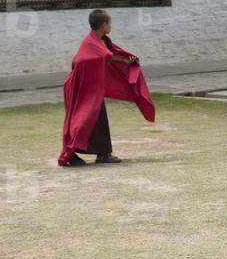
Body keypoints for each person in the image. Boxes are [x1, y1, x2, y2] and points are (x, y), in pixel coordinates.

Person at [59, 10, 155, 167]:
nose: (111, 26)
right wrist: (119, 59)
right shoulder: (89, 43)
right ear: (103, 25)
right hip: (80, 89)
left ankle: (101, 153)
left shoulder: (103, 41)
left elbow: (107, 55)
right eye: (109, 23)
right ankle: (73, 154)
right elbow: (91, 59)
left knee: (96, 120)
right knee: (81, 119)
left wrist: (125, 60)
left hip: (93, 90)